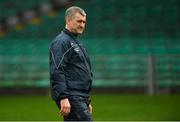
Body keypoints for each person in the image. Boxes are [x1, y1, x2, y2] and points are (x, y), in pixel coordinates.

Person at [49, 6, 93, 121]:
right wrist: (63, 97)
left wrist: (86, 100)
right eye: (79, 21)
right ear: (68, 20)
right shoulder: (61, 42)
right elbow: (57, 70)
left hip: (79, 97)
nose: (82, 25)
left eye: (84, 22)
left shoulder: (75, 41)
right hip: (72, 96)